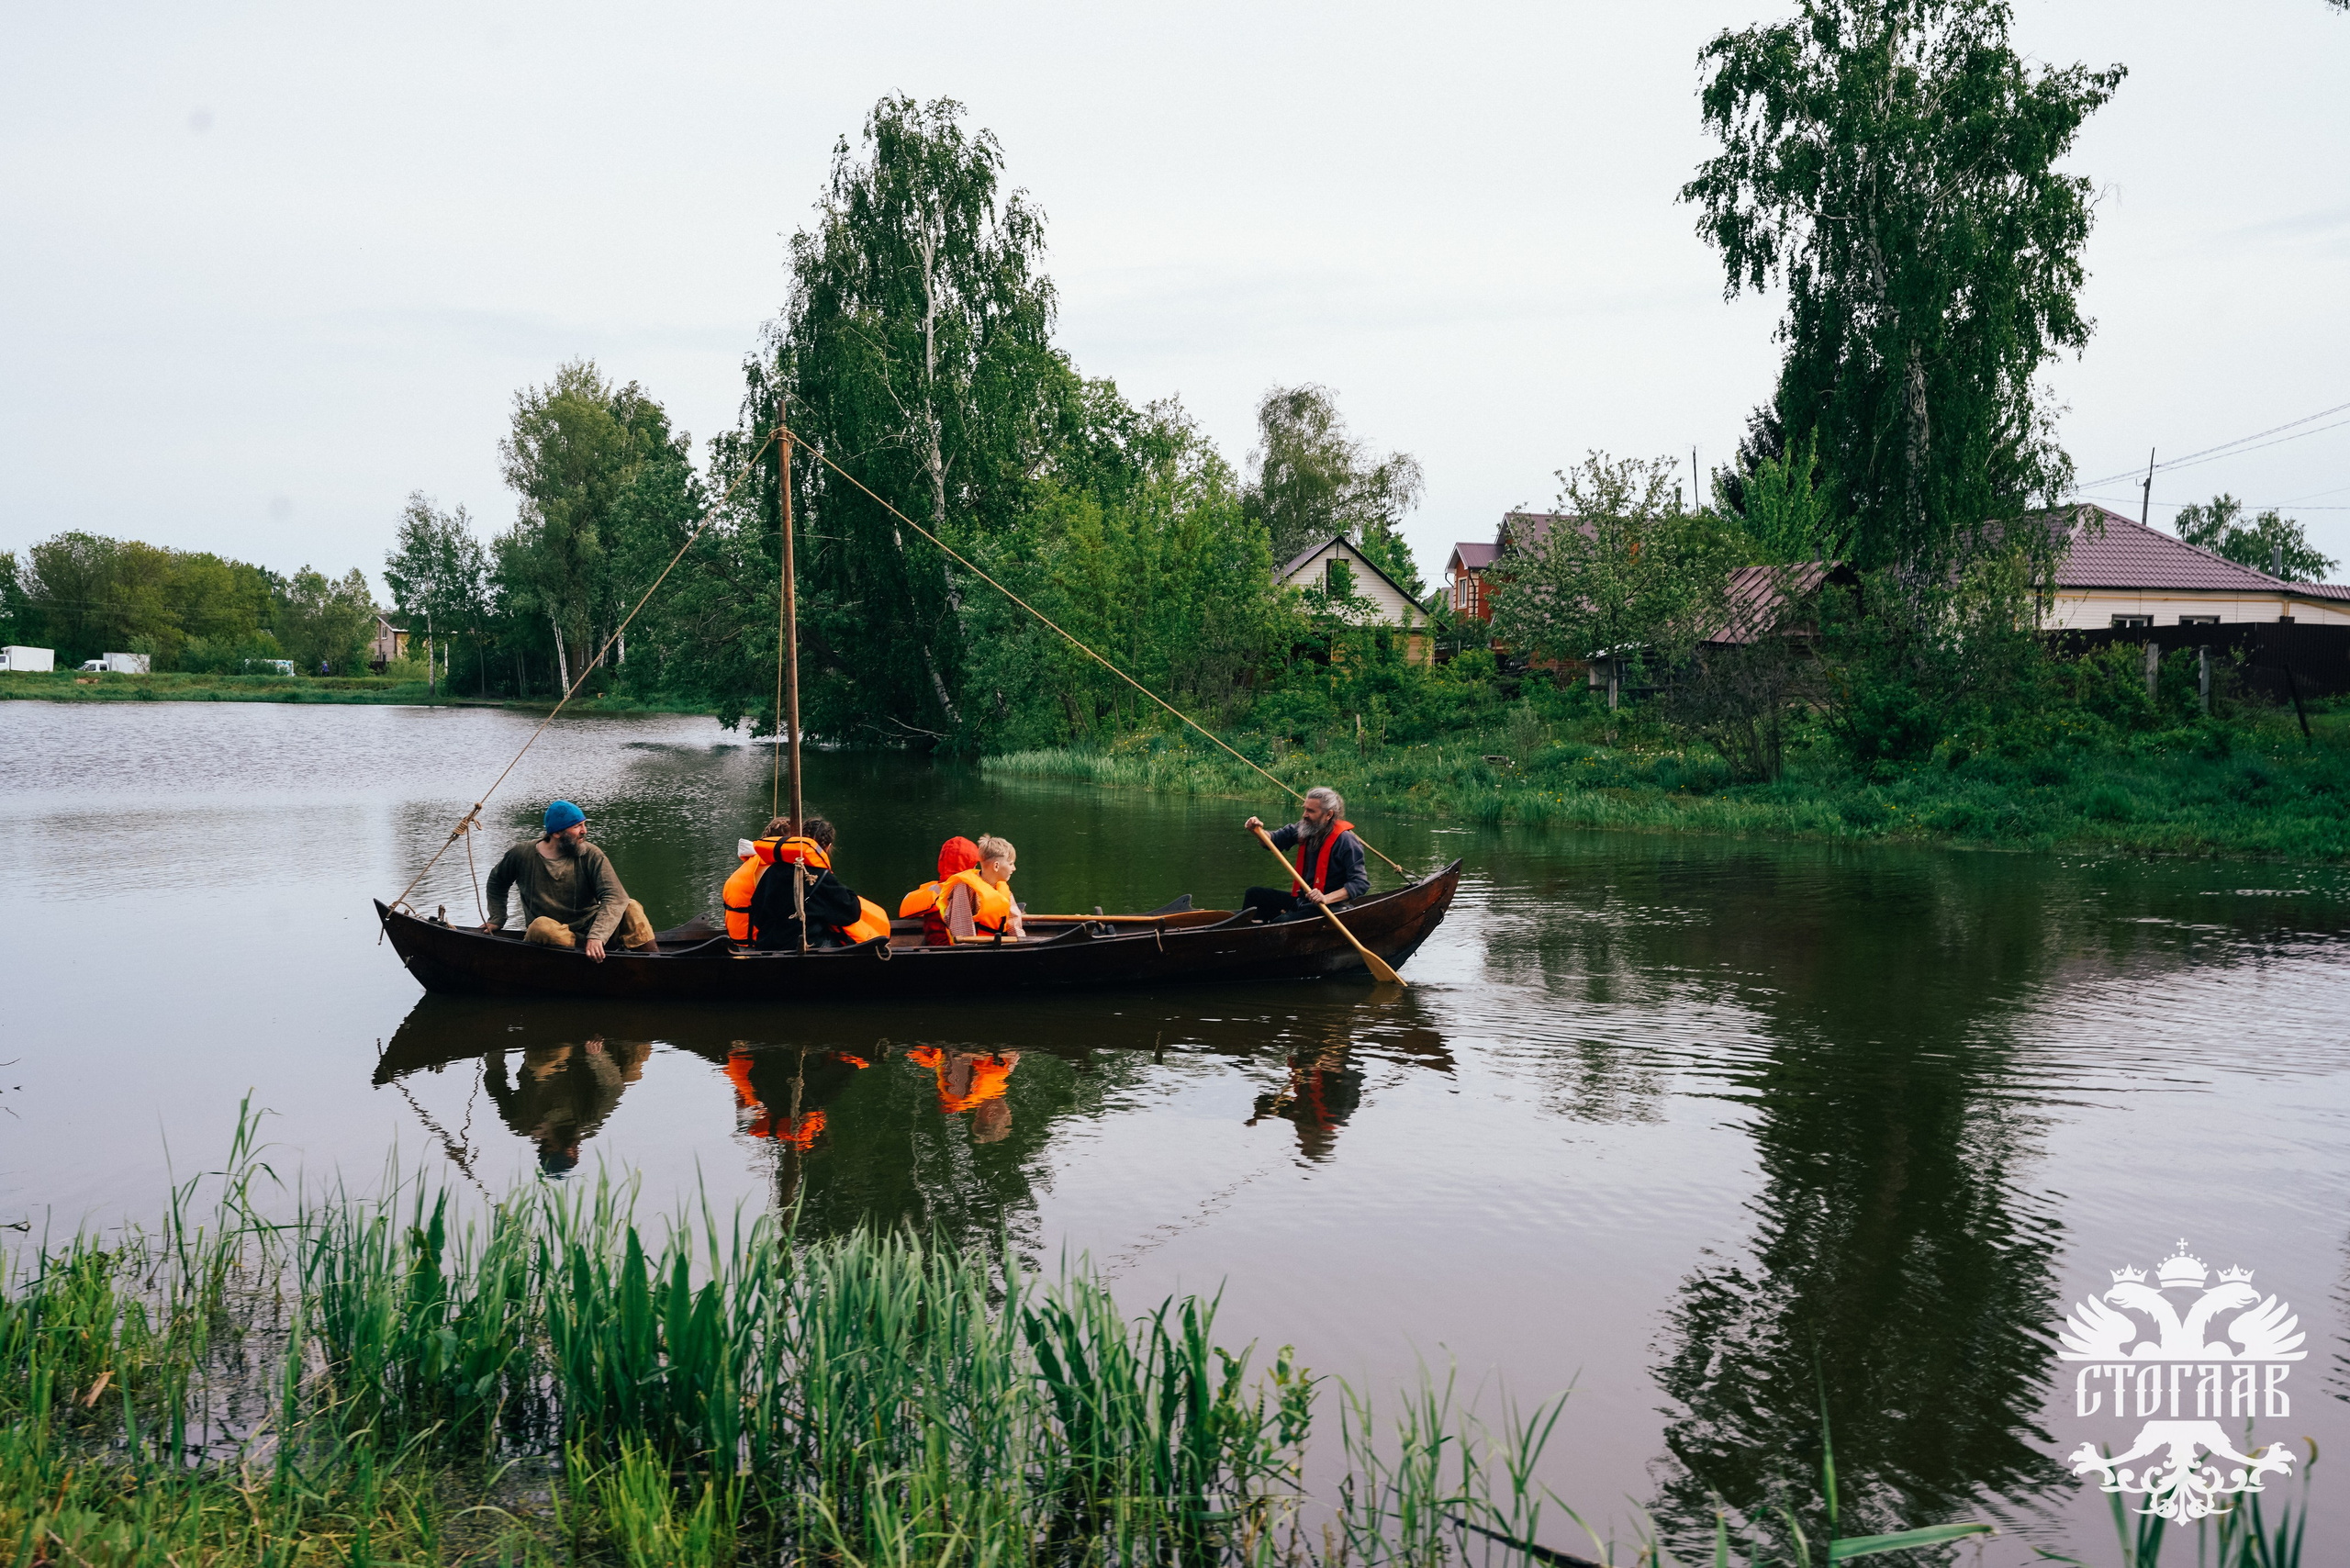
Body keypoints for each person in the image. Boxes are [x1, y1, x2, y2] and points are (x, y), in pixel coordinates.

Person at [481, 800, 657, 961]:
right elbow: (497, 882)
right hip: (556, 935)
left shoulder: (591, 854)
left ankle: (655, 962)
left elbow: (615, 896)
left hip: (592, 926)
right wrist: (497, 917)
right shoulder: (521, 854)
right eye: (577, 826)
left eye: (584, 824)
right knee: (540, 927)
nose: (584, 831)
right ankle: (590, 953)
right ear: (557, 833)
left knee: (631, 906)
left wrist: (597, 935)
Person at [740, 816, 891, 950]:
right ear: (828, 847)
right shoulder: (818, 877)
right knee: (846, 941)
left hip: (766, 945)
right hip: (802, 947)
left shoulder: (773, 870)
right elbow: (851, 912)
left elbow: (757, 915)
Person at [1241, 786, 1368, 924]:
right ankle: (1244, 930)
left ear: (1328, 815)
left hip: (1328, 907)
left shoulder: (1346, 842)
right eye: (1305, 809)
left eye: (1311, 811)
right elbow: (1274, 839)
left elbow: (1360, 883)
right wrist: (1257, 831)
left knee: (1282, 921)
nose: (1304, 815)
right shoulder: (1306, 828)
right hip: (1304, 901)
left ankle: (1266, 928)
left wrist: (1326, 898)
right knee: (1254, 895)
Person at [906, 1045, 1021, 1143]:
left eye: (1007, 1113)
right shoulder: (993, 1087)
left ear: (991, 1115)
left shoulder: (961, 1094)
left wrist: (1002, 1055)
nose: (1008, 1108)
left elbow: (958, 1053)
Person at [931, 834, 1024, 944]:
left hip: (998, 945)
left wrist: (1023, 944)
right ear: (996, 866)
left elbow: (1014, 922)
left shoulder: (1003, 887)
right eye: (1011, 864)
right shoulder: (965, 886)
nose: (1014, 868)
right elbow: (962, 929)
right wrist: (973, 949)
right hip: (977, 948)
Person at [900, 836, 982, 946]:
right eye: (974, 865)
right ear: (968, 867)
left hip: (934, 948)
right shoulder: (967, 892)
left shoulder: (933, 890)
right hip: (953, 951)